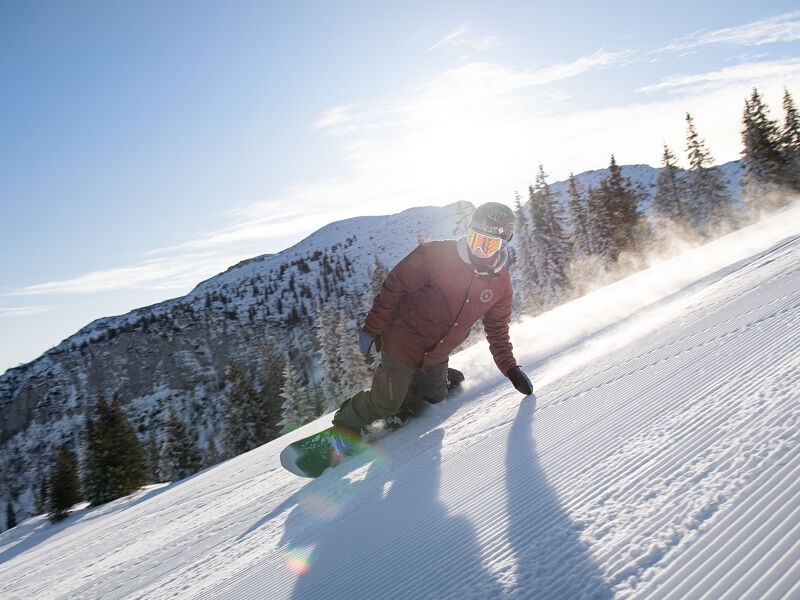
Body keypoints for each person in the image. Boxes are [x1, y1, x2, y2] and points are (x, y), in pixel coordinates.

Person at [330, 202, 533, 448]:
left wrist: (509, 367)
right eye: (474, 239)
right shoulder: (435, 255)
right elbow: (393, 287)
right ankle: (345, 422)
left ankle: (417, 388)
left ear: (502, 244)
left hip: (436, 352)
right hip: (403, 342)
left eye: (488, 244)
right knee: (386, 403)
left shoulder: (501, 284)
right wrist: (372, 328)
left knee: (435, 398)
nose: (478, 249)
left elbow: (498, 328)